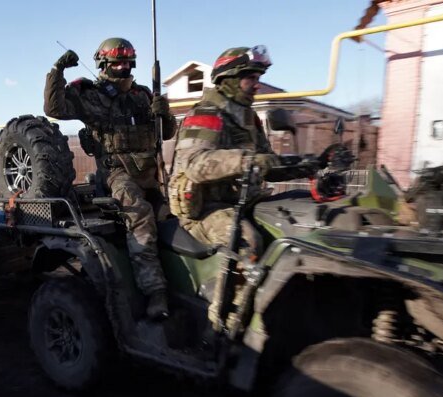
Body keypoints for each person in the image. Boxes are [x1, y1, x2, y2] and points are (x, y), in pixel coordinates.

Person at [169, 45, 300, 330]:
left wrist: (307, 164)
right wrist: (247, 160)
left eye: (258, 77)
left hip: (242, 200)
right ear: (228, 80)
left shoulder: (249, 118)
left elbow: (268, 164)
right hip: (204, 209)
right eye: (249, 77)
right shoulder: (206, 113)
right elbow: (195, 164)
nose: (257, 84)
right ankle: (224, 322)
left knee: (290, 220)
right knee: (245, 241)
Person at [45, 37, 176, 320]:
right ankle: (155, 291)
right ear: (104, 64)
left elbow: (166, 134)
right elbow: (54, 109)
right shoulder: (89, 95)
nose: (123, 67)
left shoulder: (142, 95)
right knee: (139, 215)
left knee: (171, 218)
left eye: (127, 62)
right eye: (117, 62)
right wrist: (57, 71)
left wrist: (165, 114)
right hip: (116, 173)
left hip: (149, 173)